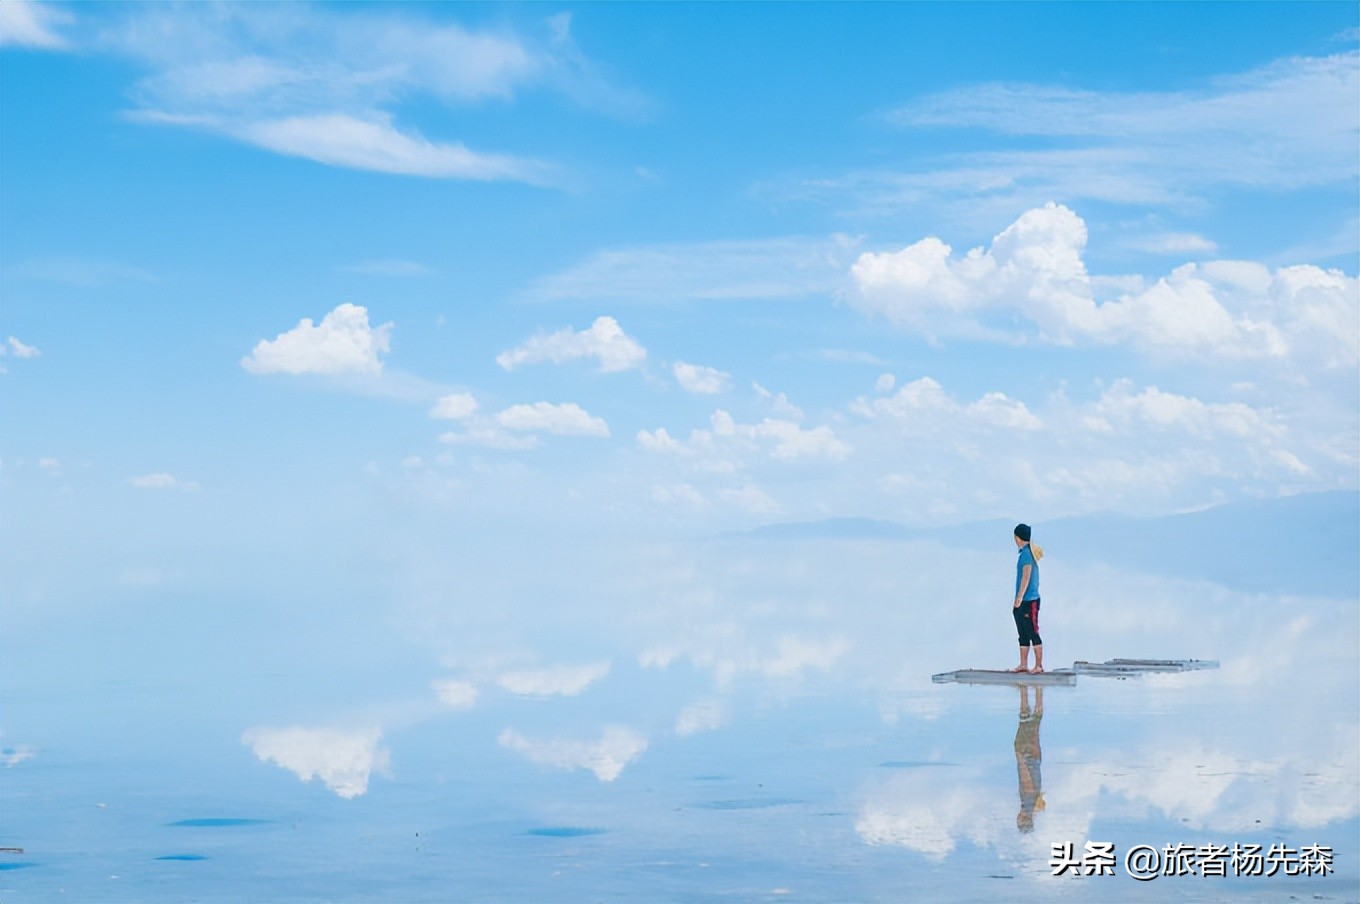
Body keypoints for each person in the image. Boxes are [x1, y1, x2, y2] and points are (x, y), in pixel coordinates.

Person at [1010, 523, 1045, 673]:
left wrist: (1019, 597)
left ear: (1017, 537)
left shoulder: (1026, 554)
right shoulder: (1024, 552)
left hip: (1029, 600)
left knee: (1032, 631)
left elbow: (1026, 576)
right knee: (1022, 633)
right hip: (1023, 600)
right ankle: (1023, 664)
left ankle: (1038, 666)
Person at [1014, 685, 1045, 833]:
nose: (1017, 818)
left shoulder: (1032, 805)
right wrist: (1020, 759)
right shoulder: (1027, 803)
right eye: (1020, 821)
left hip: (1035, 760)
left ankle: (1034, 691)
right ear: (1023, 819)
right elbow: (1026, 781)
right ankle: (1028, 690)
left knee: (1033, 724)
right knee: (1027, 724)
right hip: (1028, 759)